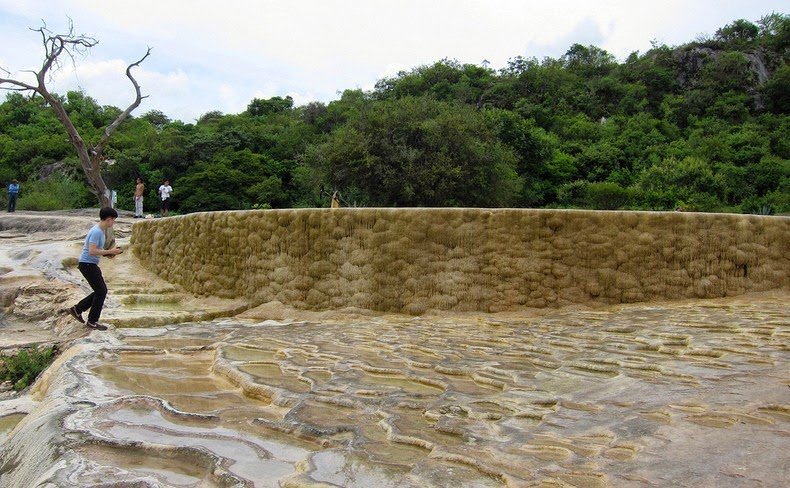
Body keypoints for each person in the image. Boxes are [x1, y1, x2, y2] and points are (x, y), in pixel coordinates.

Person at [67, 207, 123, 330]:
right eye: (113, 220)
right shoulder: (97, 231)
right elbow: (92, 251)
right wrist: (110, 251)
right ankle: (91, 320)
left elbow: (96, 251)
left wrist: (109, 254)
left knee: (100, 291)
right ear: (108, 219)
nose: (113, 223)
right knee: (101, 291)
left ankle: (77, 309)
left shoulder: (101, 231)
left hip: (90, 264)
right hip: (87, 264)